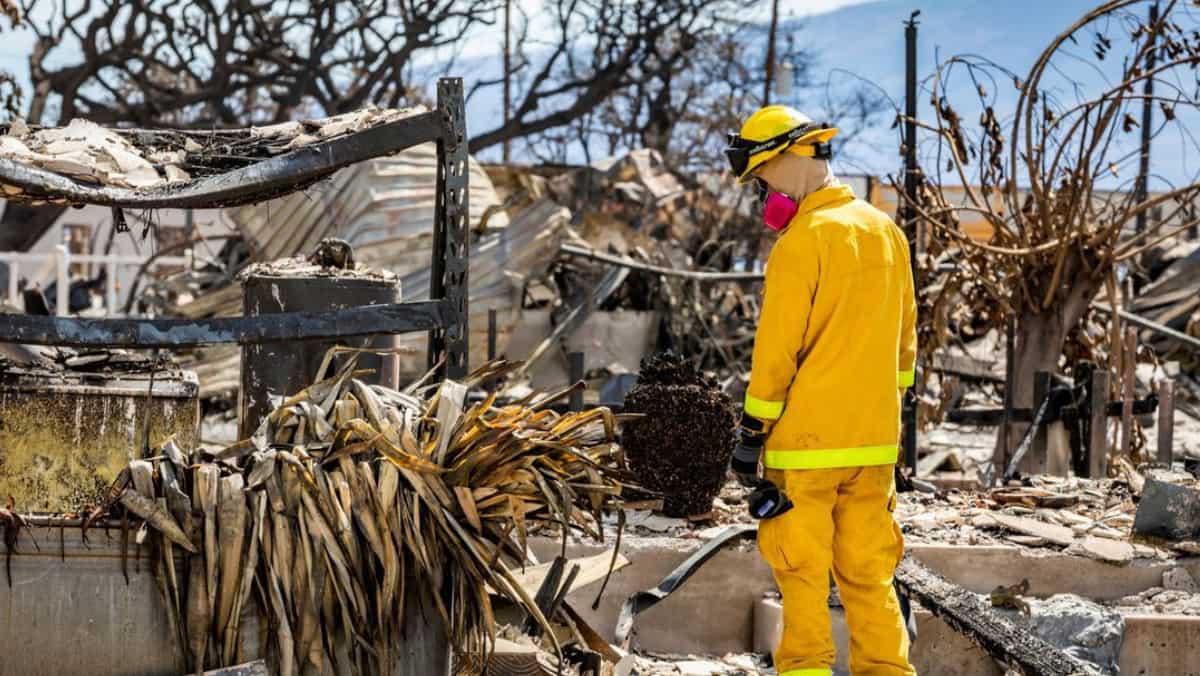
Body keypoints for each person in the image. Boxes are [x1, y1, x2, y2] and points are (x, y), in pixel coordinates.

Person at [724, 105, 917, 676]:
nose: (764, 194)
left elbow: (776, 354)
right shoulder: (886, 231)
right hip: (875, 445)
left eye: (762, 178)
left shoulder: (801, 243)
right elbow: (905, 346)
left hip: (806, 448)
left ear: (789, 158)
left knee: (802, 574)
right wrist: (891, 415)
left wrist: (752, 432)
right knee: (870, 575)